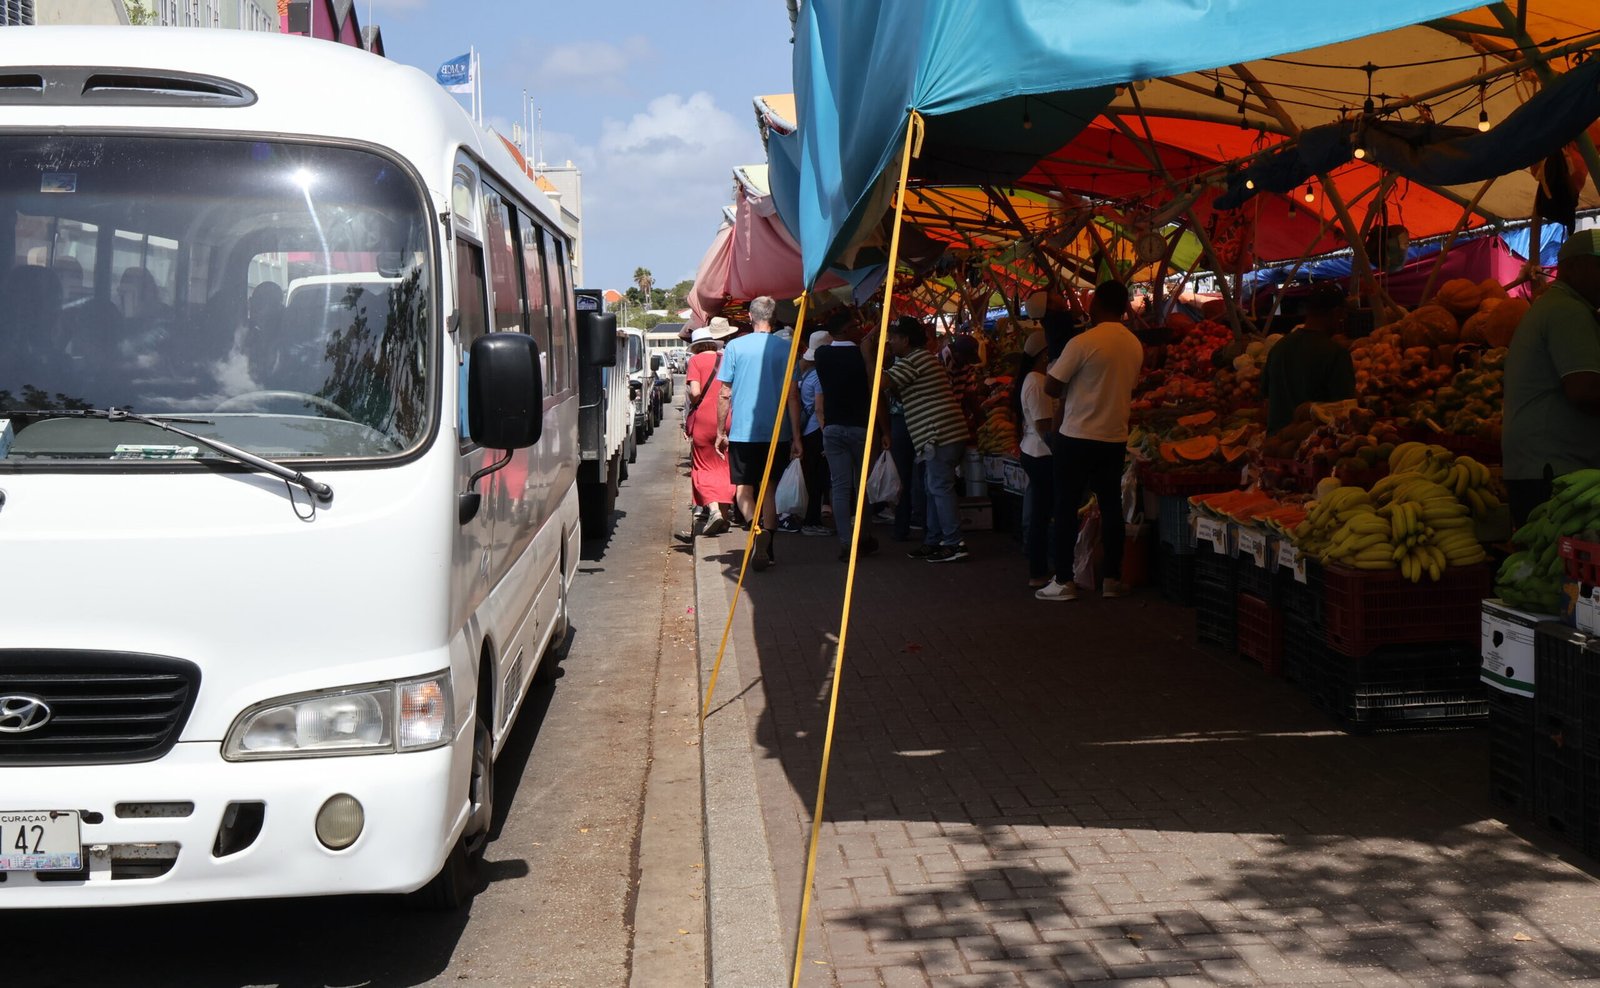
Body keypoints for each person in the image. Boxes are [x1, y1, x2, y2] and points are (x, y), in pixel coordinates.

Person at [1035, 280, 1144, 601]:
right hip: (1114, 436)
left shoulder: (1083, 342)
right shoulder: (1134, 345)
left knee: (1066, 506)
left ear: (1096, 303)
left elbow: (1051, 386)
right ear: (1124, 307)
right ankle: (1111, 579)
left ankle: (1064, 580)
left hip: (1076, 436)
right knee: (1111, 507)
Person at [1503, 229, 1600, 524]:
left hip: (1536, 465)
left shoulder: (1557, 306)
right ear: (1575, 267)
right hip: (1553, 470)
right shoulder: (1568, 311)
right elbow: (1584, 390)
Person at [716, 296, 804, 571]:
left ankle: (756, 532)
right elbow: (793, 396)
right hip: (778, 432)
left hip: (743, 431)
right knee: (770, 489)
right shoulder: (788, 348)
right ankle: (770, 547)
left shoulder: (735, 346)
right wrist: (797, 436)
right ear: (774, 318)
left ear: (750, 317)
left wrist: (720, 430)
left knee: (744, 489)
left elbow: (724, 393)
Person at [878, 315, 971, 563]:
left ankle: (954, 542)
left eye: (893, 338)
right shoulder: (921, 359)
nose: (890, 342)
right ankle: (934, 540)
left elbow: (881, 382)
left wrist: (874, 360)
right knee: (933, 488)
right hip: (941, 434)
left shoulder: (915, 359)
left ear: (906, 340)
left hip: (939, 434)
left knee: (939, 488)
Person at [813, 315, 881, 562]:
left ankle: (846, 542)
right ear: (845, 329)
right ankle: (864, 536)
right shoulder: (861, 355)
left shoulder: (822, 355)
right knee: (862, 486)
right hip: (860, 428)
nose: (860, 329)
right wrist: (867, 349)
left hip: (833, 428)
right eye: (855, 326)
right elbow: (874, 382)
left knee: (840, 487)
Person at [1261, 282, 1356, 433]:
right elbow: (1345, 410)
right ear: (1336, 313)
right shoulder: (1336, 354)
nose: (1343, 319)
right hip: (1314, 443)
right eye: (1343, 314)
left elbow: (1266, 398)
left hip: (1277, 442)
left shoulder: (1278, 348)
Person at [676, 325, 736, 543]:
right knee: (724, 466)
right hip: (726, 417)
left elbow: (695, 392)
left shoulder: (695, 361)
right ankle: (725, 516)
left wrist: (692, 401)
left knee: (702, 465)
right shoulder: (725, 358)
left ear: (696, 346)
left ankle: (714, 510)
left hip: (704, 420)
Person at [1014, 331, 1059, 588]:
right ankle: (1038, 571)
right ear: (1044, 355)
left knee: (1041, 514)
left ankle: (1040, 568)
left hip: (1035, 451)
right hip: (1041, 454)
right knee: (1042, 516)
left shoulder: (1034, 379)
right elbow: (1044, 426)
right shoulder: (1037, 383)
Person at [795, 328, 833, 536]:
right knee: (817, 479)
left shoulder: (806, 373)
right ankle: (811, 521)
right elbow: (819, 409)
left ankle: (810, 519)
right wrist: (826, 434)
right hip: (816, 431)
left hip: (806, 431)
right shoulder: (819, 376)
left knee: (812, 477)